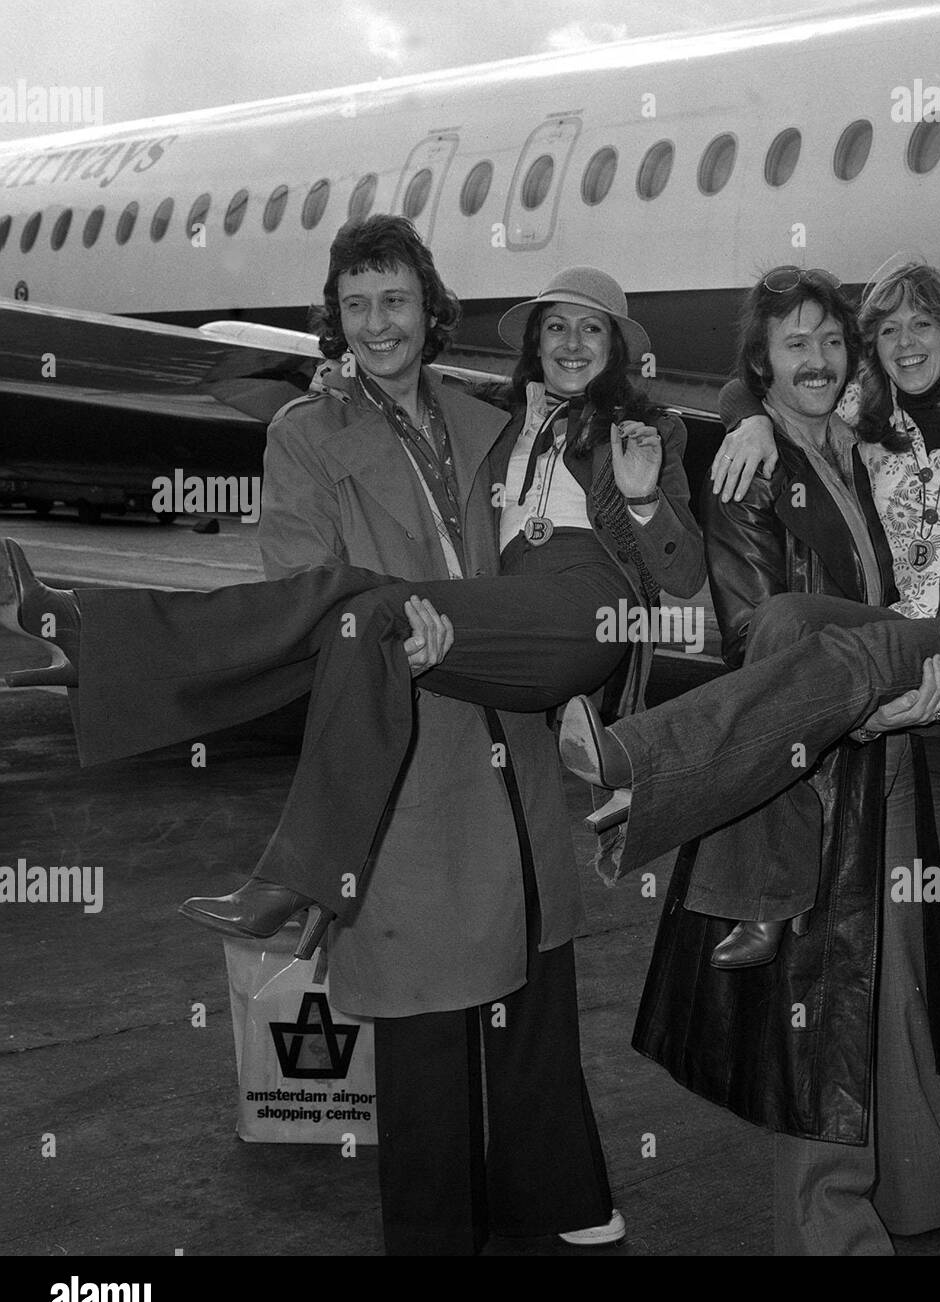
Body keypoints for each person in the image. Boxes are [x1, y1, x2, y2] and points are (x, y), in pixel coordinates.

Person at [0, 217, 703, 1256]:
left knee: (531, 990)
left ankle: (557, 1196)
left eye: (397, 300)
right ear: (337, 318)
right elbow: (297, 593)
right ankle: (445, 1228)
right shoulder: (306, 431)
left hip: (506, 712)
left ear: (430, 311)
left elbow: (628, 530)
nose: (379, 324)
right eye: (358, 304)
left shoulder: (486, 419)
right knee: (428, 1020)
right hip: (407, 739)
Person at [0, 241, 704, 964]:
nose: (572, 343)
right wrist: (339, 385)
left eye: (592, 329)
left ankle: (86, 634)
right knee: (355, 612)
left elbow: (682, 578)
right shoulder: (498, 414)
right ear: (535, 341)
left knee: (357, 604)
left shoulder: (649, 431)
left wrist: (647, 492)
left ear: (618, 347)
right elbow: (404, 400)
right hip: (506, 608)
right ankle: (300, 878)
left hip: (586, 609)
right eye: (556, 326)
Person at [560, 261, 940, 972]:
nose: (907, 341)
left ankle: (635, 760)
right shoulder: (867, 423)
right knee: (786, 621)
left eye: (923, 323)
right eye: (889, 329)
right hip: (910, 633)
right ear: (875, 349)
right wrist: (753, 425)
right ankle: (766, 892)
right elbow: (757, 377)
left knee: (852, 657)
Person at [591, 264, 940, 1254]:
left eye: (832, 341)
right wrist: (747, 415)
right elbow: (755, 630)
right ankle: (834, 1225)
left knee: (905, 985)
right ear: (763, 360)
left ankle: (926, 1183)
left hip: (886, 741)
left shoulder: (859, 445)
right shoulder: (752, 472)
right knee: (820, 1009)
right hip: (810, 764)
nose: (821, 359)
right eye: (794, 344)